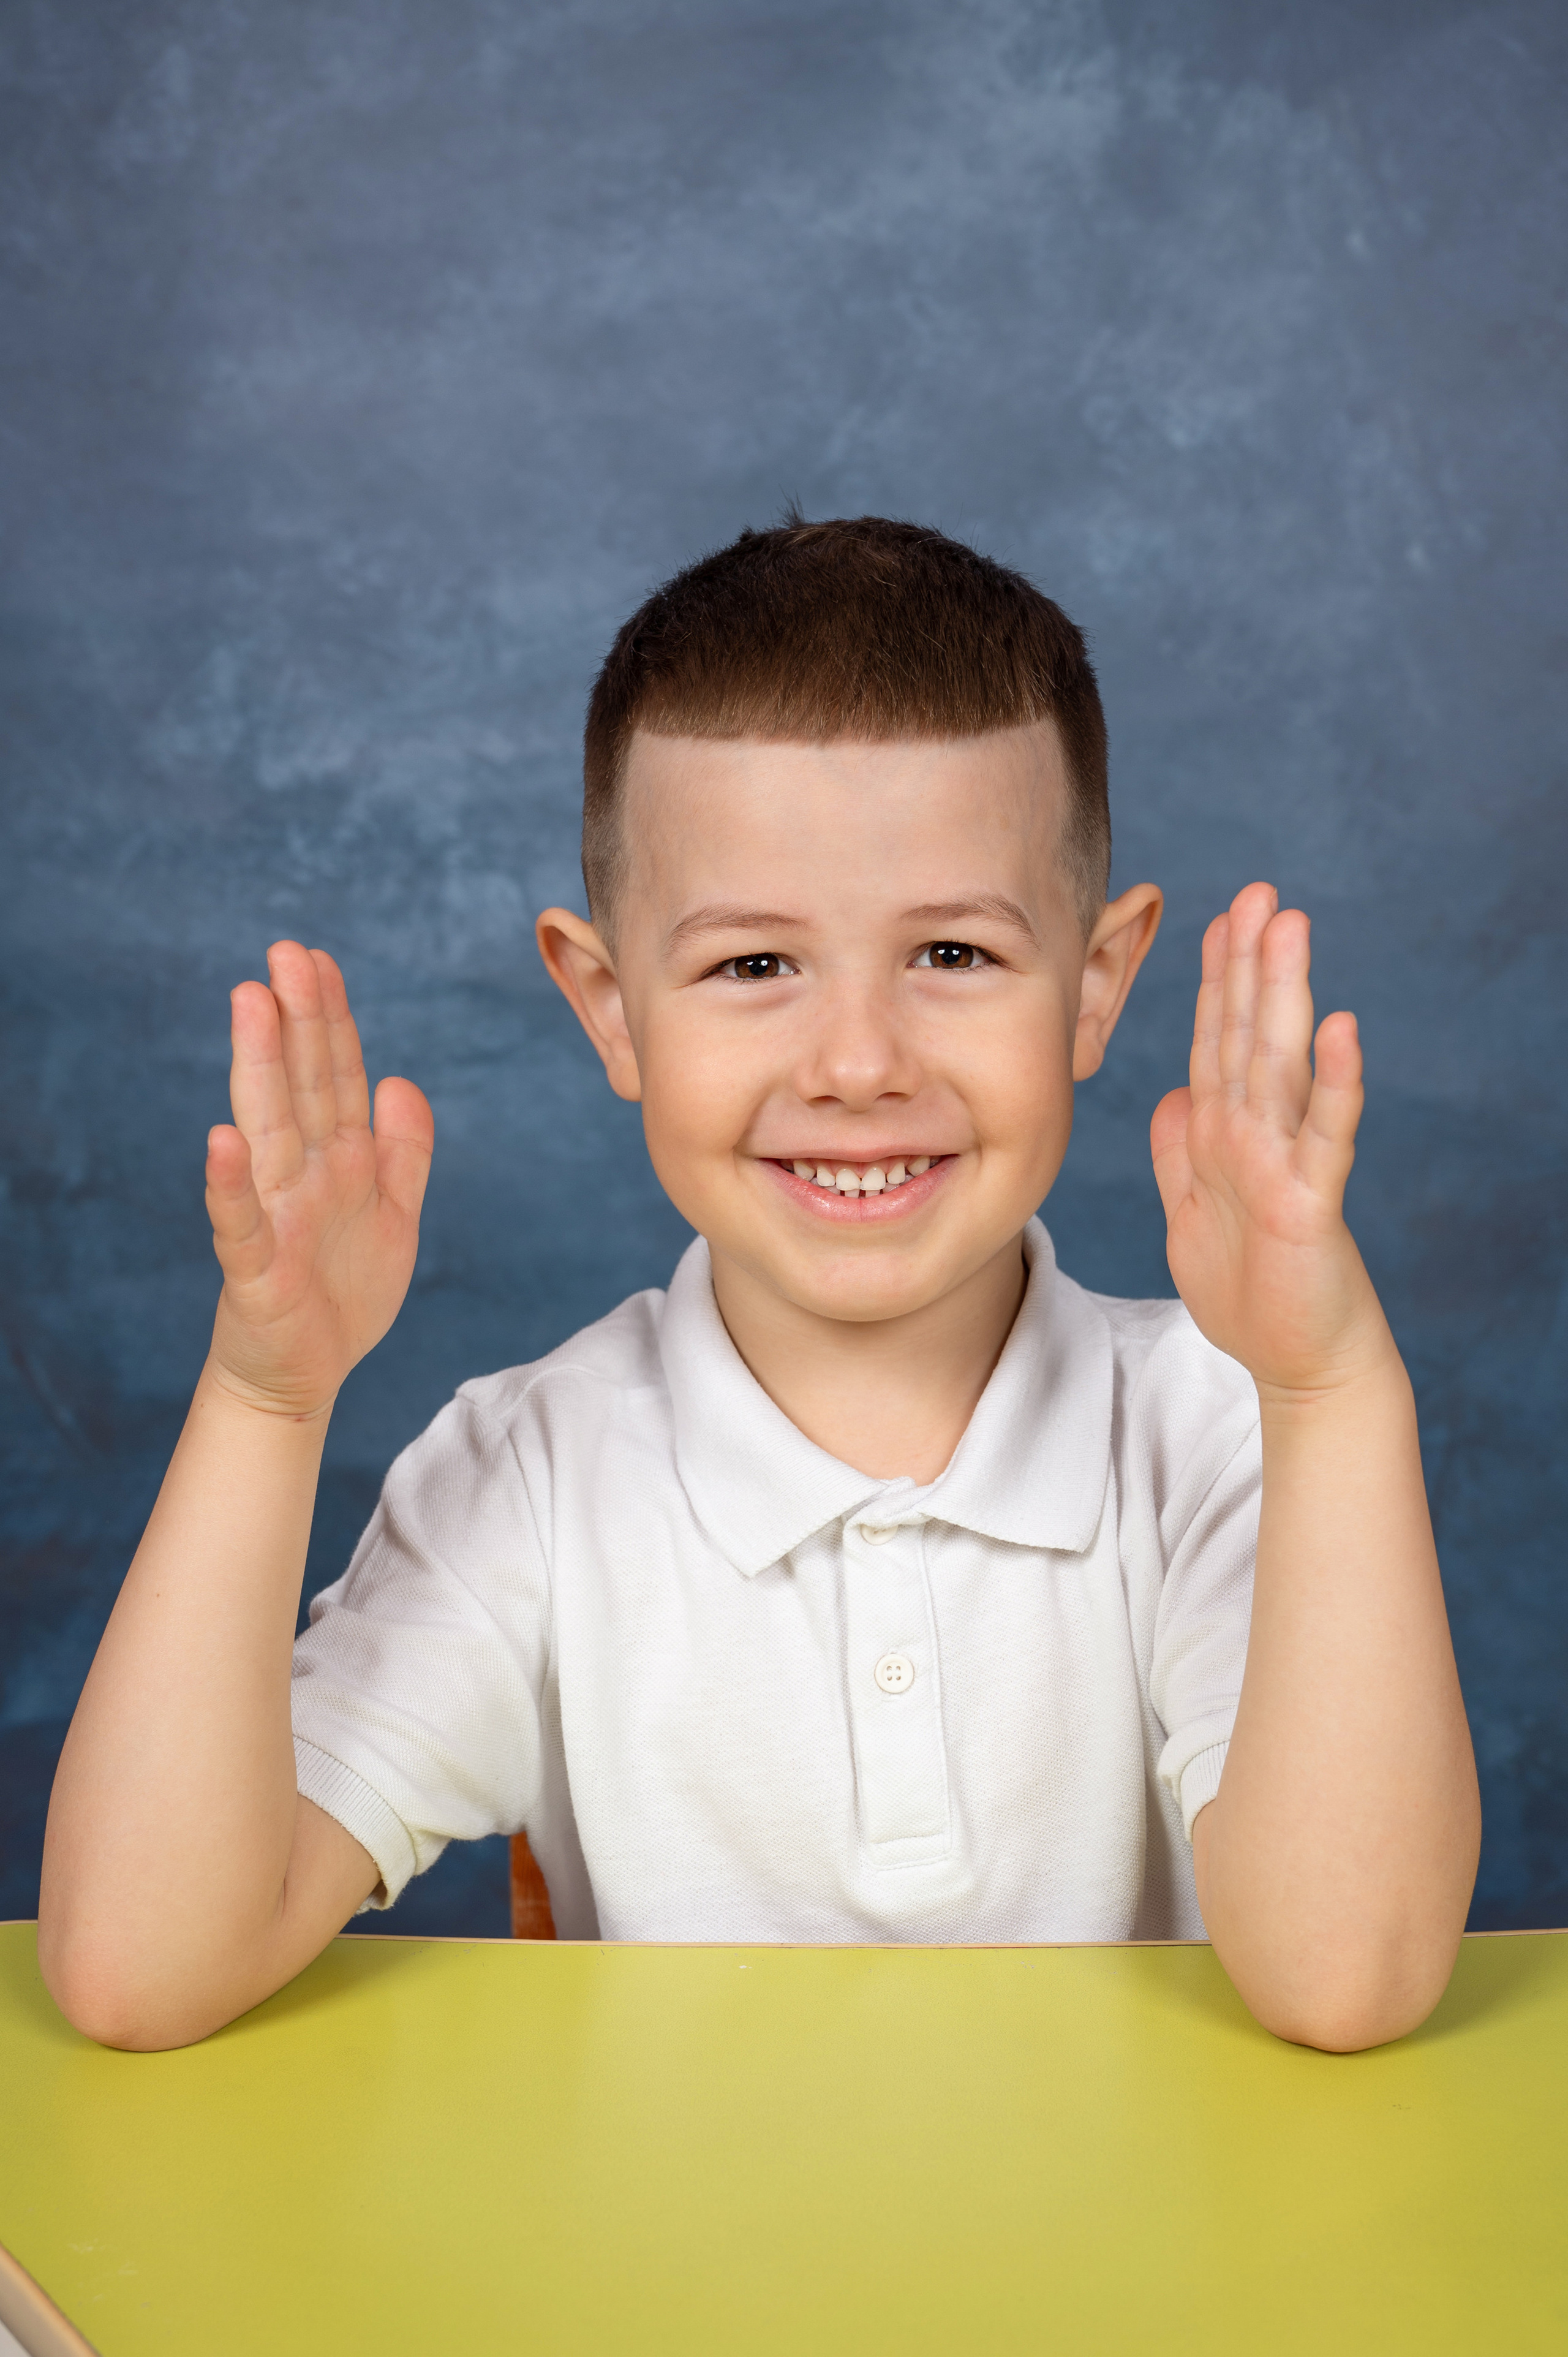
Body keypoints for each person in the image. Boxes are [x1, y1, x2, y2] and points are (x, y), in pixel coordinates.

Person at [38, 516, 1480, 2054]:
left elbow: (1347, 1978)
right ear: (608, 1008)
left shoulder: (1217, 1435)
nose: (856, 1064)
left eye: (950, 954)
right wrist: (269, 1394)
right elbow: (142, 1964)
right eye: (750, 968)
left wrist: (1327, 1390)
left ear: (1097, 981)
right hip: (665, 2286)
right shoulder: (531, 1474)